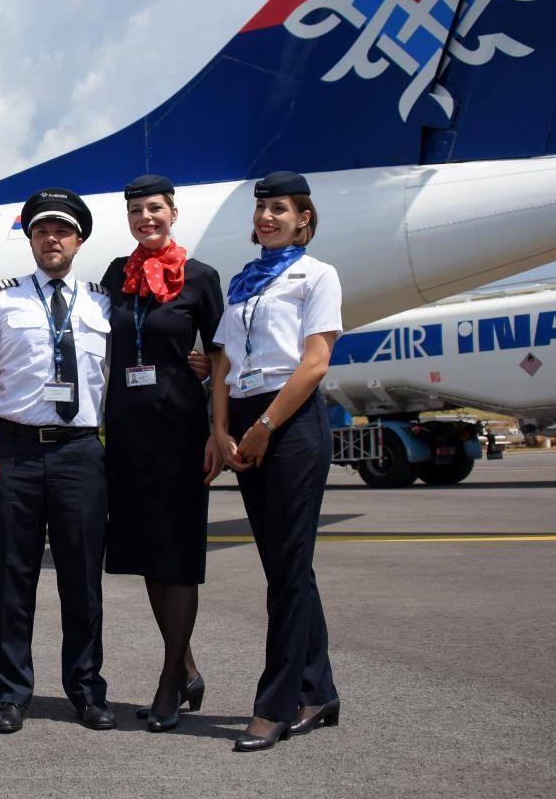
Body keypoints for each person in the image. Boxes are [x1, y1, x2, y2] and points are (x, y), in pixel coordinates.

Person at [0, 188, 116, 734]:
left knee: (82, 579)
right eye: (41, 231)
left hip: (80, 452)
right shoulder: (1, 301)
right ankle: (11, 694)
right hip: (17, 451)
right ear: (30, 239)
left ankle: (86, 689)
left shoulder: (103, 303)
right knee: (13, 577)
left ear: (78, 240)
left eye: (62, 231)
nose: (51, 238)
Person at [210, 171, 343, 752]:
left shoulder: (318, 275)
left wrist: (264, 427)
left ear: (304, 220)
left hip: (288, 422)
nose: (267, 216)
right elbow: (219, 363)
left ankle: (276, 704)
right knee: (285, 566)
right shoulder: (242, 282)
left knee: (288, 568)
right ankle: (319, 691)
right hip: (242, 418)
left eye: (280, 209)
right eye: (262, 208)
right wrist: (220, 427)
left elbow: (314, 362)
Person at [100, 174, 224, 731]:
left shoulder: (201, 279)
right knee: (149, 555)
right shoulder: (115, 278)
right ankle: (188, 666)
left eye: (155, 209)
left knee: (177, 557)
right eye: (136, 212)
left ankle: (169, 681)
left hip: (179, 431)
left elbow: (225, 359)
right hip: (127, 432)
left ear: (172, 212)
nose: (145, 218)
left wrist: (216, 430)